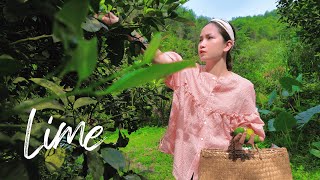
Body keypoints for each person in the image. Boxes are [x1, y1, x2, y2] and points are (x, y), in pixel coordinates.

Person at [150, 19, 266, 180]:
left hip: (222, 171)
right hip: (186, 170)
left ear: (227, 45)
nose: (202, 44)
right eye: (200, 39)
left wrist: (248, 134)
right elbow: (159, 60)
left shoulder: (243, 87)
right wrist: (129, 33)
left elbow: (255, 130)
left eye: (209, 38)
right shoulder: (188, 73)